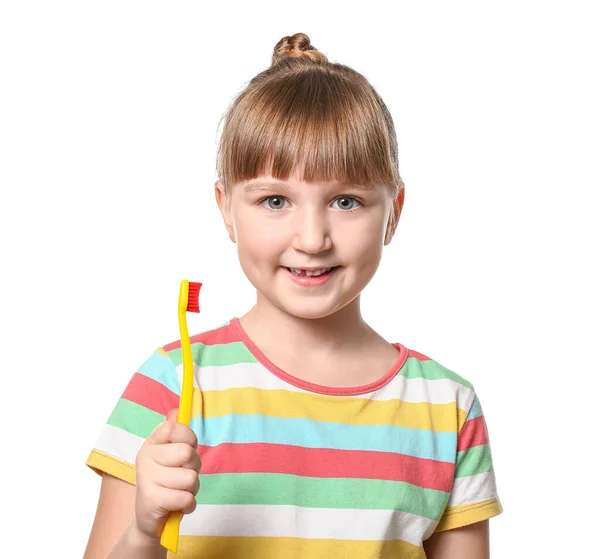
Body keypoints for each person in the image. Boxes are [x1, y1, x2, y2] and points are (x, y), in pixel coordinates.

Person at [83, 32, 502, 559]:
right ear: (225, 208)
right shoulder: (171, 386)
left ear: (394, 211)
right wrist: (144, 530)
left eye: (346, 201)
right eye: (275, 199)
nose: (311, 238)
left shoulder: (446, 408)